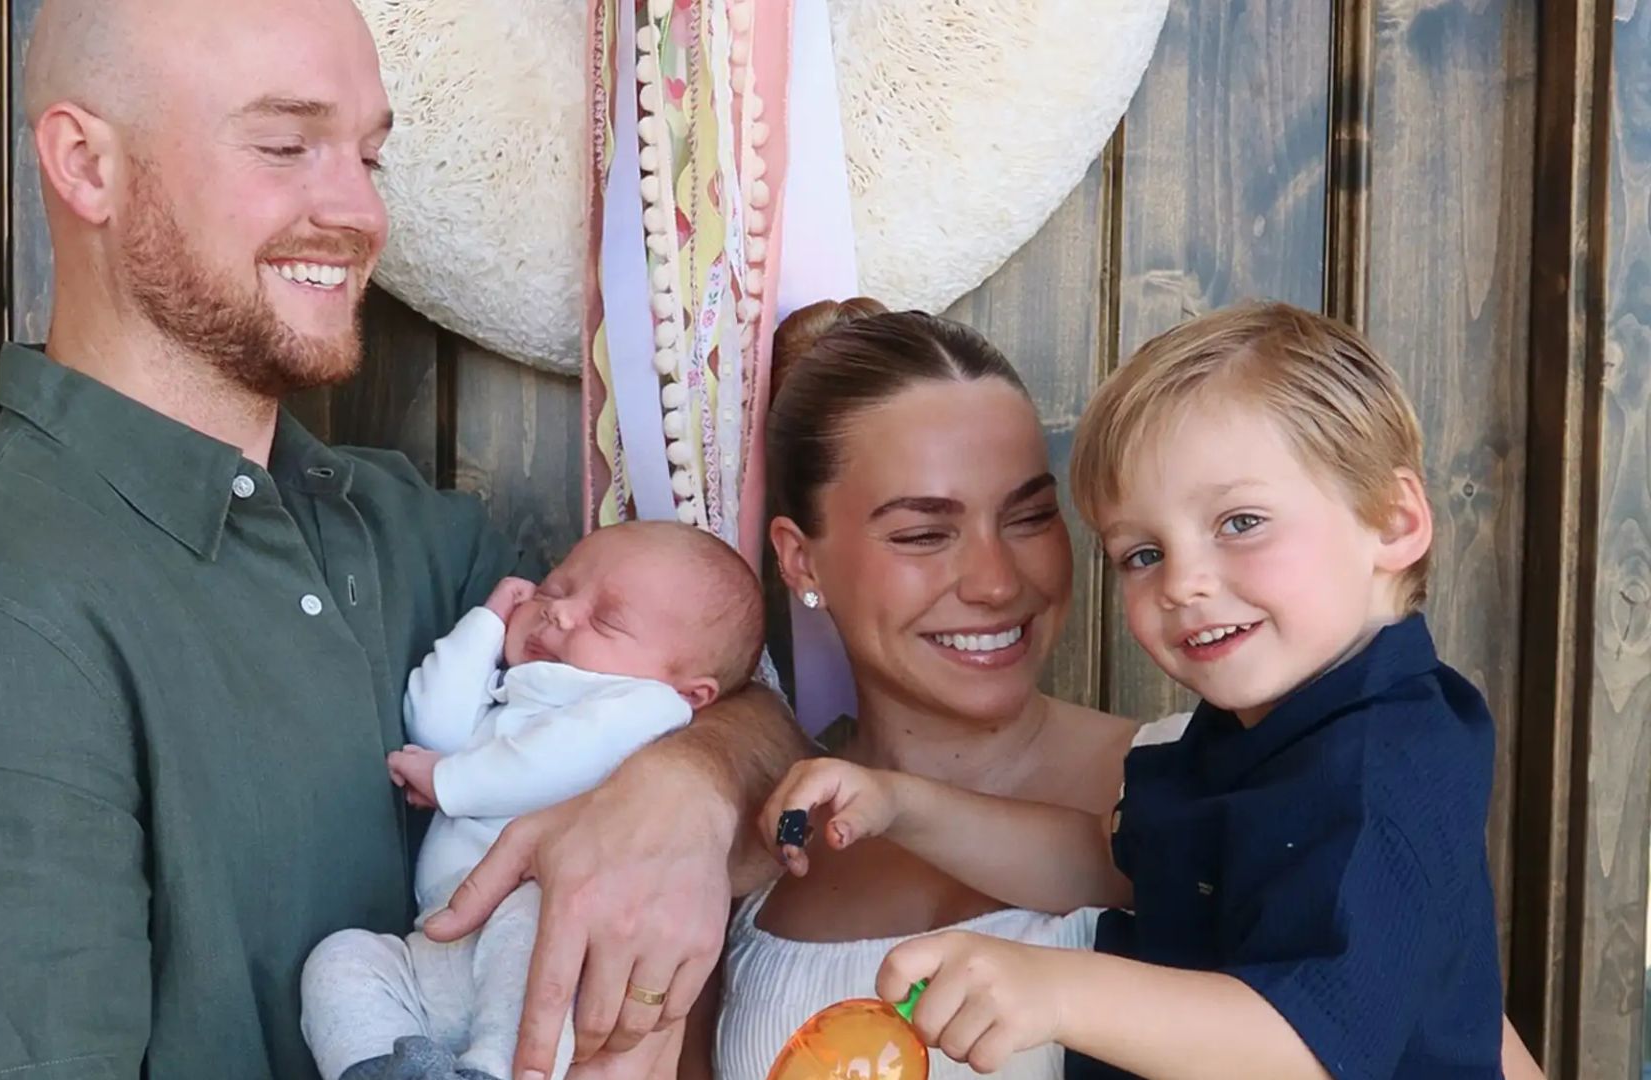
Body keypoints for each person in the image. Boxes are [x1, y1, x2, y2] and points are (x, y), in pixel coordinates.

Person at [0, 1, 806, 1077]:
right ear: (87, 165)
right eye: (284, 145)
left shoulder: (414, 532)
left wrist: (685, 790)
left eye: (369, 156)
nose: (356, 211)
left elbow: (745, 712)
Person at [764, 302, 1531, 1079]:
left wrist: (1057, 991)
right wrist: (908, 807)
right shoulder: (1254, 735)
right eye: (1142, 553)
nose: (1184, 584)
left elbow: (1305, 1046)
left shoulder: (1387, 764)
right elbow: (1109, 861)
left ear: (1394, 521)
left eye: (1240, 522)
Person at [677, 299, 1165, 1080]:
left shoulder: (1199, 778)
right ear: (800, 560)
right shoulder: (742, 857)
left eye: (1030, 517)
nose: (998, 582)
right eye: (923, 534)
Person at [302, 522, 765, 1080]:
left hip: (528, 928)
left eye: (607, 620)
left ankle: (493, 1069)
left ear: (691, 691)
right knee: (342, 959)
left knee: (543, 920)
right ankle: (379, 1066)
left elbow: (552, 763)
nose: (560, 613)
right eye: (553, 589)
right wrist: (490, 621)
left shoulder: (646, 708)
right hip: (436, 945)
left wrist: (451, 783)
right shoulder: (514, 692)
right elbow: (434, 726)